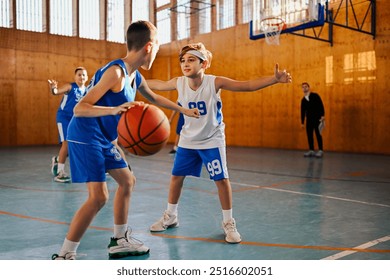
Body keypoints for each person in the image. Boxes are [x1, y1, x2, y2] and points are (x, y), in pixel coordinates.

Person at [51, 21, 199, 260]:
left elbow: (155, 98)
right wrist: (114, 111)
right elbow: (80, 108)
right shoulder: (116, 72)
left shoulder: (134, 76)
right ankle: (65, 255)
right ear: (149, 47)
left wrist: (184, 111)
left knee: (127, 181)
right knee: (99, 197)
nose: (159, 50)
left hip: (104, 138)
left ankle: (119, 240)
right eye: (159, 46)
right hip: (85, 135)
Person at [147, 42, 292, 244]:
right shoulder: (178, 82)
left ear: (204, 63)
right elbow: (156, 84)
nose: (185, 64)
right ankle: (171, 216)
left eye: (191, 60)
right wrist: (133, 78)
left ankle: (228, 222)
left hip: (212, 140)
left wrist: (274, 80)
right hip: (188, 140)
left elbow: (247, 85)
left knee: (221, 180)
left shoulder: (214, 82)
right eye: (182, 61)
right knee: (176, 177)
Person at [48, 67, 88, 183]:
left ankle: (57, 159)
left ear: (87, 77)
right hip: (64, 118)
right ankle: (60, 173)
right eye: (79, 75)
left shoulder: (86, 91)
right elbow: (55, 92)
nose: (81, 77)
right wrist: (53, 88)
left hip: (75, 120)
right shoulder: (70, 87)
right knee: (66, 143)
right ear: (75, 77)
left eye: (84, 75)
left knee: (74, 146)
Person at [300, 82, 325, 158]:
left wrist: (322, 115)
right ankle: (311, 150)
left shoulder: (315, 96)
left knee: (318, 134)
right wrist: (302, 122)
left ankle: (320, 150)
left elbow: (321, 105)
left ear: (309, 87)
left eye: (306, 87)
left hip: (317, 119)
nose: (304, 88)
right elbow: (302, 111)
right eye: (303, 87)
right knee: (309, 135)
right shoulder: (303, 100)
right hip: (309, 120)